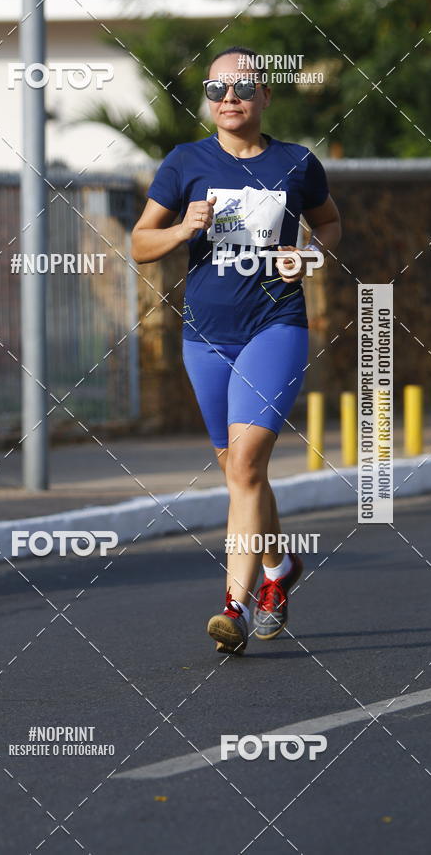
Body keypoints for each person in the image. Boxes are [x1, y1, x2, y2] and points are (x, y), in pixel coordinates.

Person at [131, 46, 342, 654]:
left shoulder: (296, 163)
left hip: (275, 326)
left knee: (247, 467)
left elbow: (329, 224)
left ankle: (236, 606)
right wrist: (182, 229)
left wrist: (309, 255)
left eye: (242, 88)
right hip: (204, 335)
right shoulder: (185, 162)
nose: (229, 99)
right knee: (236, 472)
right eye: (216, 89)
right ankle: (278, 570)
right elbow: (141, 243)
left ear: (265, 96)